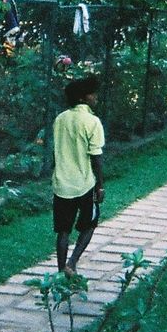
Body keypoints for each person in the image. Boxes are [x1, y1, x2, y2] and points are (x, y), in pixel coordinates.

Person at [52, 75, 105, 275]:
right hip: (84, 183)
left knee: (63, 231)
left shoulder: (60, 119)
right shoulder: (92, 121)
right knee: (90, 224)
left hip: (61, 183)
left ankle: (60, 271)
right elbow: (96, 157)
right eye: (93, 94)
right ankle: (72, 263)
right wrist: (100, 185)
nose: (96, 98)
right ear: (84, 98)